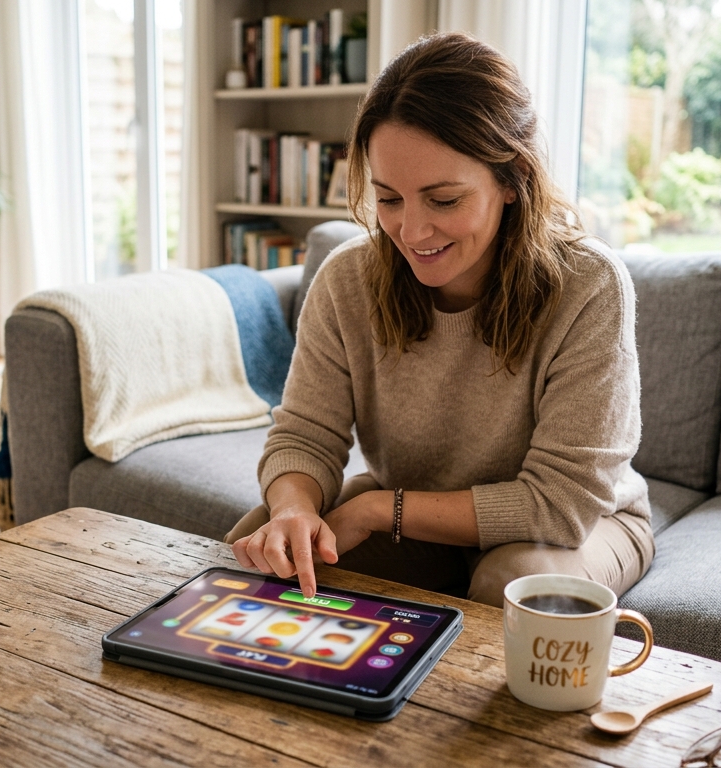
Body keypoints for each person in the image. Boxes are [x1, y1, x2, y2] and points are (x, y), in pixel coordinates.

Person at [226, 33, 653, 607]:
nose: (412, 231)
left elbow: (561, 503)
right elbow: (305, 435)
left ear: (511, 180)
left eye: (444, 200)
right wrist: (295, 508)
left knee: (512, 584)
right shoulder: (347, 278)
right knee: (264, 551)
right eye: (389, 198)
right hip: (421, 508)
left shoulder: (589, 284)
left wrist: (379, 508)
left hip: (583, 522)